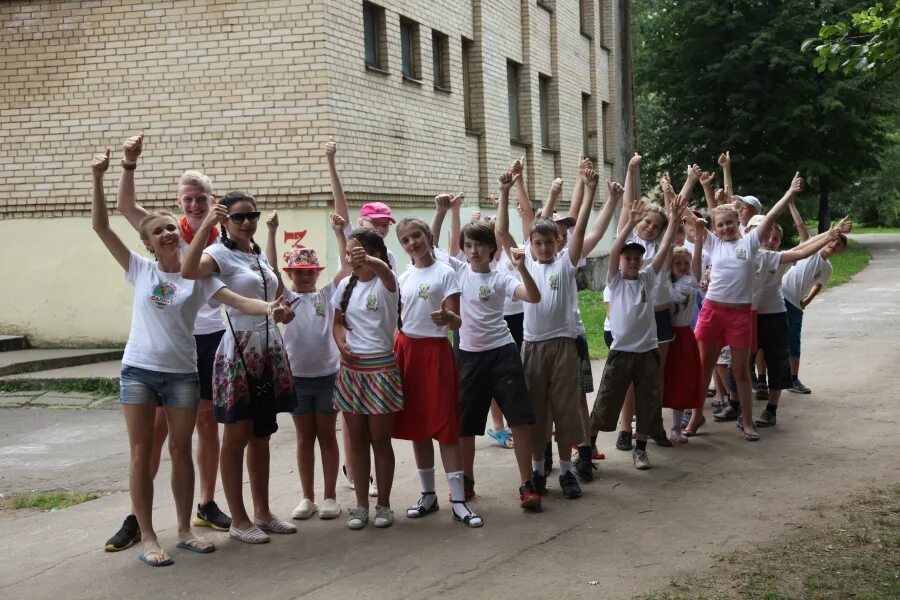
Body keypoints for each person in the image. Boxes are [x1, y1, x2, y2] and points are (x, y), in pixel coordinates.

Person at [91, 149, 291, 565]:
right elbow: (105, 223)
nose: (169, 232)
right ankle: (145, 532)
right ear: (148, 240)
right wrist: (105, 174)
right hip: (141, 371)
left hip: (185, 369)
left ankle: (186, 526)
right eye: (161, 229)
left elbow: (237, 298)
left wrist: (274, 308)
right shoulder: (141, 268)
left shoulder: (206, 269)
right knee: (143, 449)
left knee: (185, 448)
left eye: (172, 229)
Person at [106, 133, 232, 552]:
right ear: (180, 203)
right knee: (152, 436)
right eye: (187, 199)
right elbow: (124, 210)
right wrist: (129, 163)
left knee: (204, 426)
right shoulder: (165, 234)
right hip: (160, 345)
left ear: (211, 199)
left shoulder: (224, 235)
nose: (194, 205)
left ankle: (205, 505)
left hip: (209, 338)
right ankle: (138, 519)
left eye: (201, 198)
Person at [181, 192, 298, 544]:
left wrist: (283, 312)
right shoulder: (219, 253)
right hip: (239, 350)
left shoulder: (256, 253)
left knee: (261, 435)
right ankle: (239, 519)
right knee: (235, 437)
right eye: (239, 218)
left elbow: (273, 295)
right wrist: (207, 228)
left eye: (252, 216)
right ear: (225, 220)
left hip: (268, 347)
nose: (247, 223)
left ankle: (262, 512)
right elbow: (188, 271)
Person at [684, 172, 805, 441]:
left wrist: (789, 193)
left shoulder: (749, 243)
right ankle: (695, 417)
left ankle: (747, 422)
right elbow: (683, 211)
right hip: (712, 310)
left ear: (739, 223)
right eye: (721, 225)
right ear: (714, 228)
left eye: (730, 223)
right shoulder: (713, 243)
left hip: (739, 314)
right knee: (703, 366)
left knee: (740, 371)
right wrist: (692, 183)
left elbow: (771, 216)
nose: (725, 228)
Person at [453, 171, 543, 509]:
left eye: (480, 245)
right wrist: (451, 213)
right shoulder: (457, 272)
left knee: (518, 418)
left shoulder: (503, 277)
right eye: (468, 245)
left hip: (502, 353)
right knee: (464, 424)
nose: (474, 251)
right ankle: (466, 481)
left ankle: (526, 485)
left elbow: (532, 297)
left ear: (493, 249)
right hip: (468, 356)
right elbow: (438, 245)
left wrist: (522, 269)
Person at [393, 216, 483, 527]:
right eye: (405, 240)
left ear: (428, 235)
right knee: (417, 425)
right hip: (407, 352)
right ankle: (428, 495)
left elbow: (457, 320)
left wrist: (447, 317)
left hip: (435, 352)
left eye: (416, 236)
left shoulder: (446, 272)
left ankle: (458, 499)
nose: (412, 243)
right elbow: (397, 320)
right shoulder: (402, 278)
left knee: (445, 425)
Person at [589, 194, 685, 470]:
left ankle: (640, 449)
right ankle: (588, 446)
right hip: (621, 352)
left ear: (642, 261)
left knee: (648, 401)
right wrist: (629, 222)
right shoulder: (615, 281)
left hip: (647, 353)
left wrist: (675, 219)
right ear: (619, 261)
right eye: (627, 258)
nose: (632, 261)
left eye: (636, 258)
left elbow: (665, 245)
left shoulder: (648, 277)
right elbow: (616, 246)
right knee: (607, 399)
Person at [266, 212, 350, 521]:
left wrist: (340, 233)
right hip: (297, 379)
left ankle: (329, 496)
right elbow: (270, 271)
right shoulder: (284, 298)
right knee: (304, 438)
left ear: (317, 273)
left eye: (311, 271)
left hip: (328, 377)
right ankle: (307, 497)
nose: (306, 277)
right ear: (290, 274)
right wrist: (272, 232)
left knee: (327, 435)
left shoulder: (326, 295)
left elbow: (346, 269)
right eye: (299, 272)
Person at [327, 136, 390, 495]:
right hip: (352, 356)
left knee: (377, 430)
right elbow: (337, 318)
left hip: (380, 355)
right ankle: (353, 470)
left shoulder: (385, 265)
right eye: (373, 222)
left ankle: (378, 491)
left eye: (383, 224)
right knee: (352, 423)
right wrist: (332, 163)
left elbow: (387, 282)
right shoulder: (352, 257)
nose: (378, 227)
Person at [332, 229, 403, 530]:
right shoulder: (346, 285)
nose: (354, 259)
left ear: (376, 254)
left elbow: (385, 271)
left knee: (380, 440)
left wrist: (373, 260)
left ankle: (383, 504)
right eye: (350, 254)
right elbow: (337, 323)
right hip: (352, 372)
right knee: (357, 441)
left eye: (360, 253)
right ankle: (361, 506)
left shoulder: (386, 284)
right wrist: (341, 343)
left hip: (381, 370)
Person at [781, 211, 847, 394]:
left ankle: (793, 379)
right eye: (834, 240)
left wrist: (806, 301)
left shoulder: (827, 268)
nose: (835, 244)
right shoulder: (810, 251)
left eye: (839, 244)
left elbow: (818, 285)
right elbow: (801, 227)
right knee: (771, 338)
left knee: (794, 341)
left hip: (795, 304)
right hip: (780, 295)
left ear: (841, 250)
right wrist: (791, 203)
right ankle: (761, 378)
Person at [664, 226, 705, 443]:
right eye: (677, 263)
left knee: (681, 382)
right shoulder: (664, 282)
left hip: (683, 338)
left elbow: (697, 257)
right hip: (664, 338)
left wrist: (698, 238)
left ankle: (676, 428)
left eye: (685, 264)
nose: (682, 267)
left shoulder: (690, 282)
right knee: (663, 381)